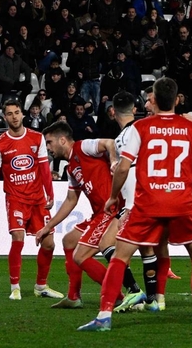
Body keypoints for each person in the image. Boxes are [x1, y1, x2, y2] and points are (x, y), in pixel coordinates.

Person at [78, 77, 192, 332]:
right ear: (177, 100)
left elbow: (123, 167)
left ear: (153, 100)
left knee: (120, 256)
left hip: (147, 203)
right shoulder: (191, 129)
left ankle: (104, 316)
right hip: (181, 202)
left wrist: (113, 196)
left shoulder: (140, 128)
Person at [37, 121, 140, 308]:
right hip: (99, 213)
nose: (48, 148)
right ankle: (73, 296)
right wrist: (48, 226)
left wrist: (114, 160)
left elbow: (109, 142)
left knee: (81, 256)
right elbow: (70, 200)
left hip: (111, 211)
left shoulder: (82, 147)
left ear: (62, 140)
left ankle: (120, 296)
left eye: (49, 142)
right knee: (69, 241)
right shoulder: (70, 168)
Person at [0, 100, 62, 301]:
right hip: (16, 198)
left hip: (38, 199)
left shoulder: (37, 138)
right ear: (5, 117)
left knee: (49, 244)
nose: (14, 116)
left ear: (22, 114)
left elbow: (45, 169)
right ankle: (15, 287)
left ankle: (41, 286)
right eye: (10, 113)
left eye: (17, 112)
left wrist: (50, 194)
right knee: (18, 238)